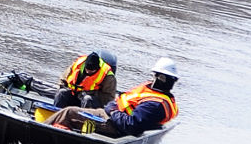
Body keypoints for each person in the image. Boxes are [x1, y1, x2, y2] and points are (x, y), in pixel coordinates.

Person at [43, 57, 180, 137]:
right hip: (111, 115)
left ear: (161, 77)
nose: (153, 78)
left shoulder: (154, 104)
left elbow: (131, 125)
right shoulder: (154, 94)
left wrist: (113, 111)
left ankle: (42, 132)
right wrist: (114, 107)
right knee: (67, 109)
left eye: (155, 75)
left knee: (69, 112)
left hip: (113, 124)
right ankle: (50, 129)